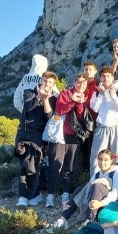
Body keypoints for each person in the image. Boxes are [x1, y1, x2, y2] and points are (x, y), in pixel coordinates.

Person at [14, 71, 58, 208]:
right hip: (23, 134)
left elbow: (49, 115)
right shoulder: (29, 92)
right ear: (41, 81)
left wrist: (45, 99)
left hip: (38, 136)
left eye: (50, 82)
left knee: (35, 165)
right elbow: (28, 107)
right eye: (45, 81)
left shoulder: (53, 99)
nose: (47, 84)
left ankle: (31, 195)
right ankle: (25, 196)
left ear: (53, 85)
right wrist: (39, 95)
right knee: (24, 164)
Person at [47, 73, 91, 208]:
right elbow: (60, 110)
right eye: (79, 83)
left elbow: (81, 117)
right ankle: (50, 195)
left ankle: (65, 193)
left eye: (84, 84)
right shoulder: (65, 93)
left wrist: (79, 103)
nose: (81, 85)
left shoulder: (84, 96)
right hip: (59, 135)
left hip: (73, 136)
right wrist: (72, 100)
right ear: (74, 82)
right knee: (55, 165)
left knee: (69, 166)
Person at [55, 149, 118, 229]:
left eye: (106, 160)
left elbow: (115, 194)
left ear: (111, 161)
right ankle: (63, 219)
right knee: (80, 189)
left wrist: (101, 203)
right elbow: (87, 189)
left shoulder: (116, 173)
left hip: (110, 204)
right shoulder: (97, 174)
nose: (102, 162)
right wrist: (70, 201)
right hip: (95, 202)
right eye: (100, 159)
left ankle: (89, 219)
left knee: (96, 186)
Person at [90, 66, 118, 170]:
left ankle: (116, 180)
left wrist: (112, 96)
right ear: (100, 78)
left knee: (117, 157)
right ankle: (95, 182)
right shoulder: (97, 92)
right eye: (103, 76)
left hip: (116, 128)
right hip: (102, 128)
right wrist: (102, 95)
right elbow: (95, 109)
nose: (106, 78)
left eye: (108, 76)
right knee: (96, 157)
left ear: (112, 78)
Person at [79, 60, 99, 171]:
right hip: (80, 120)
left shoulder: (98, 85)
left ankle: (89, 171)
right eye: (86, 69)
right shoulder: (81, 84)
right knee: (82, 147)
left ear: (95, 71)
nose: (88, 71)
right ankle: (83, 172)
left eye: (90, 69)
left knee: (91, 147)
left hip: (94, 120)